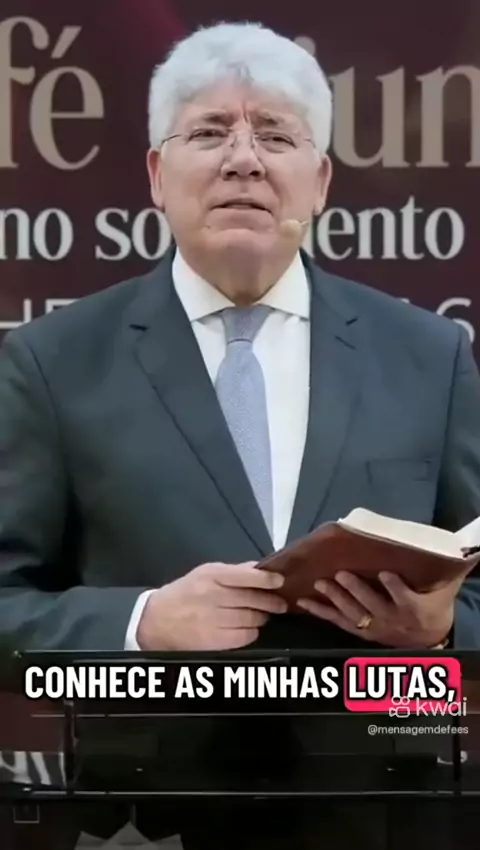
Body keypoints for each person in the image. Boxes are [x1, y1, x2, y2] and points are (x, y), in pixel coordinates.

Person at [1, 19, 480, 850]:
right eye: (210, 131)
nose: (244, 160)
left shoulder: (429, 356)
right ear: (157, 174)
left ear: (320, 181)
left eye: (277, 136)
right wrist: (143, 623)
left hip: (388, 816)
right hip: (148, 822)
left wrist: (439, 633)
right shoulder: (52, 362)